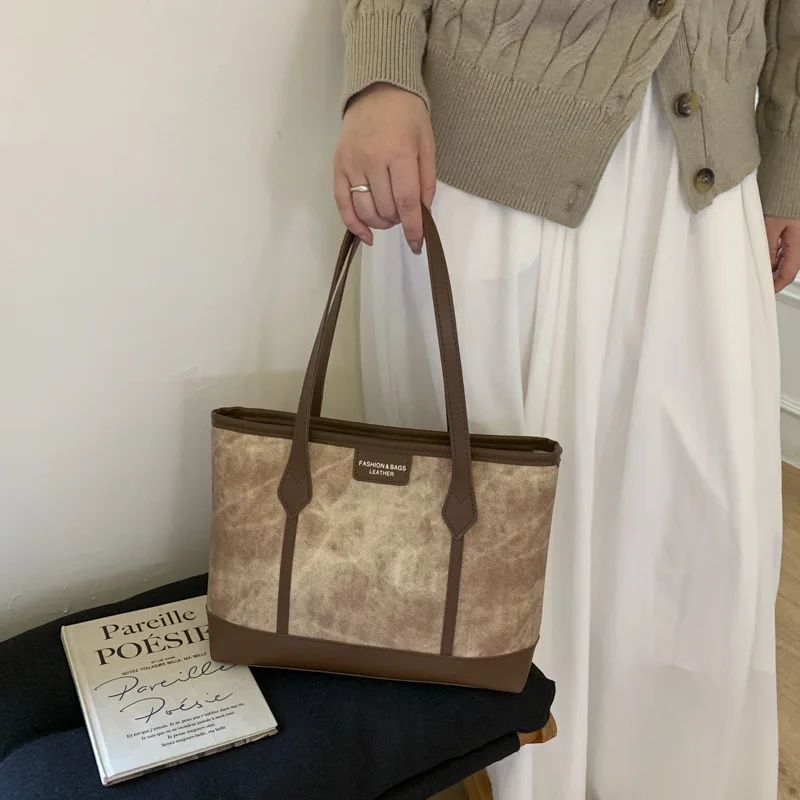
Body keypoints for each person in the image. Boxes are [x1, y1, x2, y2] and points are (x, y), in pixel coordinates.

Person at [334, 3, 797, 799]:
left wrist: (790, 161)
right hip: (493, 161)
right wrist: (381, 70)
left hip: (706, 180)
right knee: (484, 545)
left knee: (691, 537)